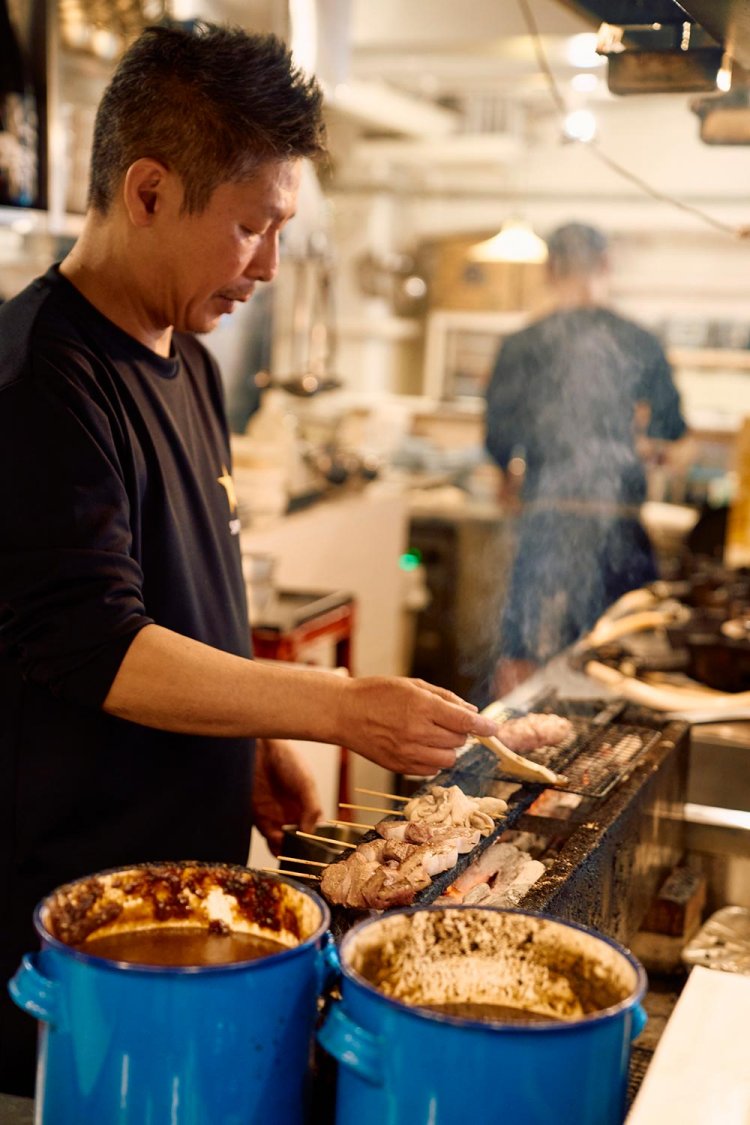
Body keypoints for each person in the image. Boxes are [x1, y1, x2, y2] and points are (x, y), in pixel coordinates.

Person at [0, 24, 498, 1096]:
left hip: (188, 907)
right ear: (146, 192)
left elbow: (185, 594)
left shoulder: (189, 362)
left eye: (280, 231)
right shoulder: (39, 379)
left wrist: (254, 734)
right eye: (249, 227)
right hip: (80, 938)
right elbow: (94, 644)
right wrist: (335, 706)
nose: (267, 266)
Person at [484, 221, 689, 698]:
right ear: (606, 265)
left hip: (545, 522)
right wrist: (642, 445)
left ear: (549, 269)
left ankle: (514, 732)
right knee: (630, 656)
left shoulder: (520, 344)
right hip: (619, 522)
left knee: (523, 659)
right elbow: (671, 428)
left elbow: (499, 438)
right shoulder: (639, 341)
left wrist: (511, 473)